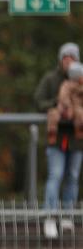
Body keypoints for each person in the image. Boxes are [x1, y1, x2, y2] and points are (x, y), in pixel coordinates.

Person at [36, 42, 82, 237]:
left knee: (72, 177)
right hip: (56, 137)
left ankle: (67, 216)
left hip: (77, 138)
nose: (68, 61)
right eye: (65, 57)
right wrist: (57, 105)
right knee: (55, 175)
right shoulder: (51, 79)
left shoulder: (81, 80)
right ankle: (50, 216)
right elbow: (39, 101)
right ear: (60, 60)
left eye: (72, 58)